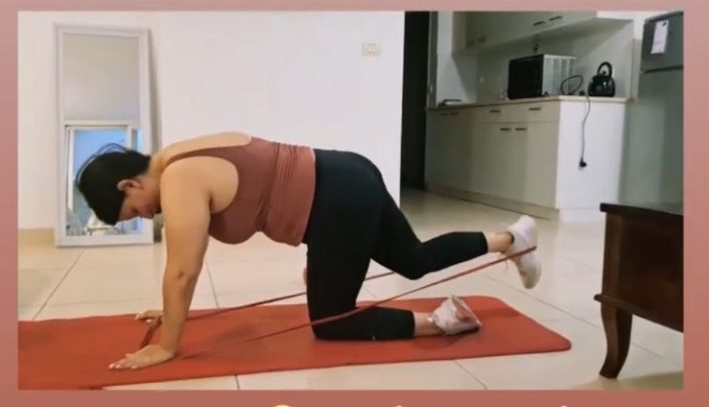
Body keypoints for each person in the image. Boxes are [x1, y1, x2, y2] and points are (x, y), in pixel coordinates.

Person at [75, 133, 542, 371]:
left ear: (129, 184)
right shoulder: (178, 155)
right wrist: (170, 310)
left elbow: (182, 271)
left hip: (337, 201)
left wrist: (166, 346)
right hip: (346, 174)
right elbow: (272, 184)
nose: (145, 215)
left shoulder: (179, 179)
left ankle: (442, 321)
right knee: (414, 260)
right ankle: (512, 239)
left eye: (134, 210)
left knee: (331, 322)